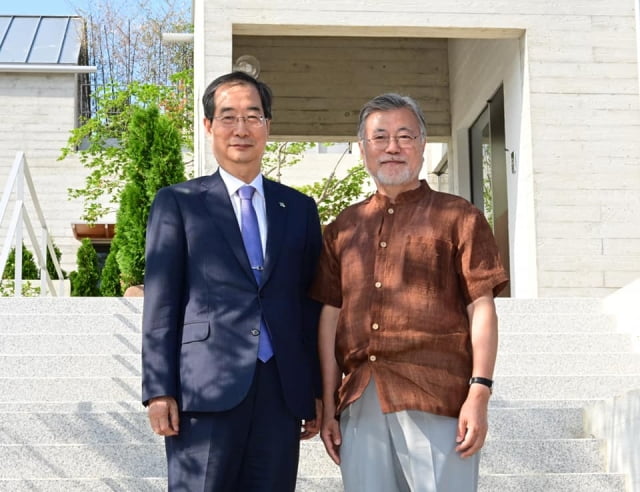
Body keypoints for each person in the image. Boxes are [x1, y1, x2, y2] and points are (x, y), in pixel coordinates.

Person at [310, 93, 509, 492]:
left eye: (405, 136)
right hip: (361, 396)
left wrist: (479, 392)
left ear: (422, 145)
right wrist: (329, 405)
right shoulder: (342, 228)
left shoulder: (459, 216)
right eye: (379, 138)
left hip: (437, 393)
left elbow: (481, 307)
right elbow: (329, 317)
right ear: (363, 150)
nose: (392, 147)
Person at [141, 71, 323, 492]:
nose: (241, 129)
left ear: (267, 126)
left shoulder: (298, 208)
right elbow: (161, 304)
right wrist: (158, 389)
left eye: (253, 116)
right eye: (228, 117)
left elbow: (308, 304)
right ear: (208, 126)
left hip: (280, 391)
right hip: (203, 389)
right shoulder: (178, 202)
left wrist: (311, 388)